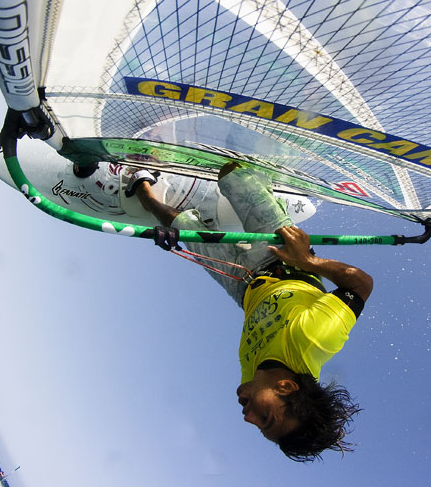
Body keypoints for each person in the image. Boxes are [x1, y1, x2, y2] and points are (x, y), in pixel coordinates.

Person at [125, 161, 373, 461]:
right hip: (284, 261)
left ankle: (142, 187)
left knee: (184, 229)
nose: (248, 418)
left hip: (242, 286)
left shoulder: (253, 375)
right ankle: (265, 184)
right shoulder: (313, 338)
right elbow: (361, 284)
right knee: (231, 175)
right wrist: (307, 261)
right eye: (265, 418)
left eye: (259, 426)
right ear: (286, 386)